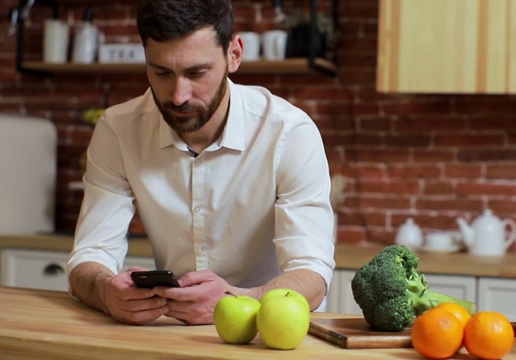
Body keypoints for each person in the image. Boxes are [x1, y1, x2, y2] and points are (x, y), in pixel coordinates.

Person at [67, 0, 335, 326]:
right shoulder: (118, 130)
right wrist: (106, 292)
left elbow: (313, 274)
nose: (178, 95)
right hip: (170, 335)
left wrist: (236, 300)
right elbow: (88, 256)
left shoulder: (289, 132)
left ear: (234, 54)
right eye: (161, 72)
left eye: (197, 73)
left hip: (271, 335)